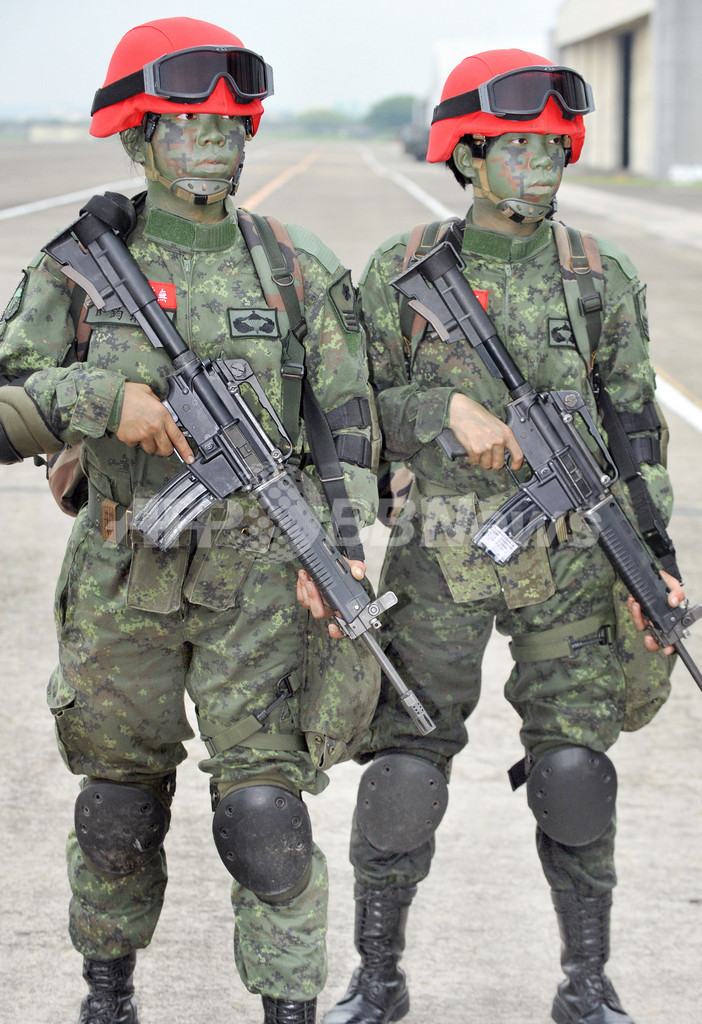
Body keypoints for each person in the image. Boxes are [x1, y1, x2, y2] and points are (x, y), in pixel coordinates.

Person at [0, 17, 379, 1024]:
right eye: (186, 122)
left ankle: (289, 1009)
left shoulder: (296, 269)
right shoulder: (79, 267)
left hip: (261, 584)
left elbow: (346, 427)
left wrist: (338, 552)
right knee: (118, 810)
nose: (214, 140)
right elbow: (6, 401)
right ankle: (108, 998)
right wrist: (100, 398)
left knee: (265, 818)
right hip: (121, 577)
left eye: (229, 122)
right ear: (138, 136)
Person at [314, 49, 685, 1024]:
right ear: (467, 156)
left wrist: (657, 561)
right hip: (438, 554)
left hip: (572, 559)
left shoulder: (599, 277)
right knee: (404, 769)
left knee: (576, 769)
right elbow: (347, 410)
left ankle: (587, 983)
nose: (543, 163)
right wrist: (442, 412)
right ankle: (378, 978)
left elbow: (634, 430)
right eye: (519, 147)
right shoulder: (399, 271)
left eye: (555, 146)